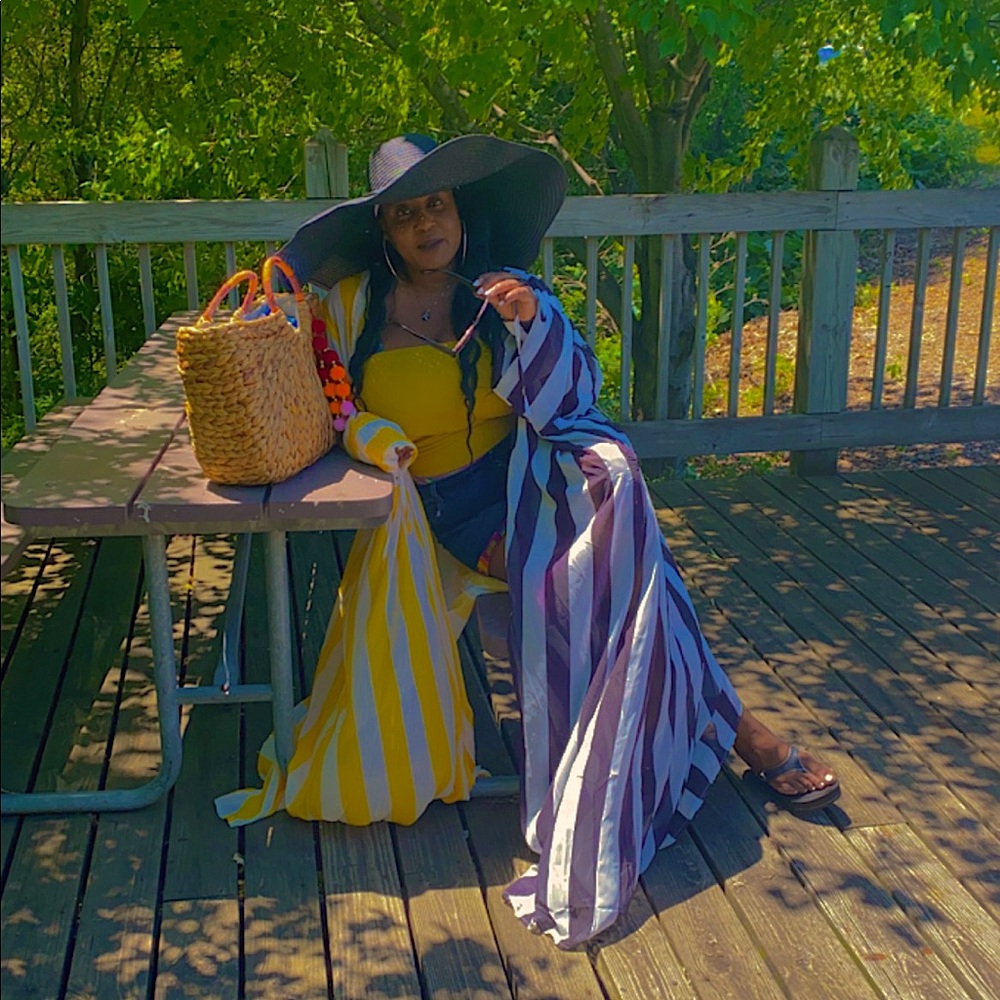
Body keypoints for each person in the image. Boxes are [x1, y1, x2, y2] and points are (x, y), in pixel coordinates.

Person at [216, 133, 840, 949]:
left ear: (459, 213)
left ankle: (689, 729)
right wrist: (374, 438)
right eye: (405, 214)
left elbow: (570, 398)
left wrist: (533, 320)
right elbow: (325, 406)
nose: (425, 224)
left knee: (623, 519)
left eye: (436, 205)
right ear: (386, 231)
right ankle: (737, 733)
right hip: (442, 507)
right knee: (599, 581)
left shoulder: (502, 291)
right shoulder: (353, 305)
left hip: (524, 481)